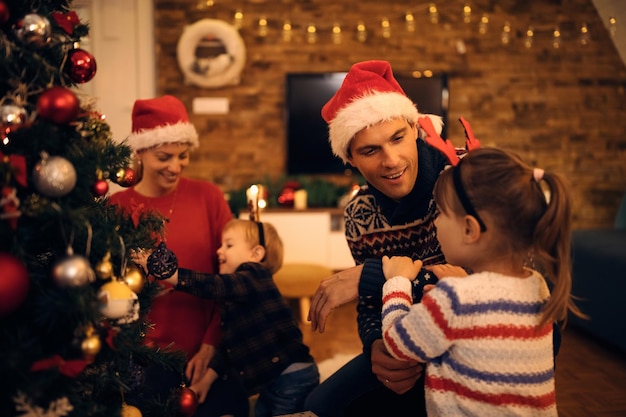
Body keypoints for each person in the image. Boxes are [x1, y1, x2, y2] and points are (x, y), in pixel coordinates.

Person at [381, 147, 586, 416]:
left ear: (469, 229)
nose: (436, 223)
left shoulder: (457, 297)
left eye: (441, 213)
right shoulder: (537, 285)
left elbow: (397, 344)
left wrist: (397, 283)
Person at [304, 60, 452, 417]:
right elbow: (370, 304)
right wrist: (375, 347)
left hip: (472, 339)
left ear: (415, 129)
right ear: (351, 160)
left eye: (398, 138)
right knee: (319, 406)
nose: (391, 160)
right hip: (405, 337)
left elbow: (479, 284)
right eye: (370, 150)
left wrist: (371, 275)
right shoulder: (359, 215)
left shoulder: (458, 183)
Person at [109, 95, 234, 416]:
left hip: (206, 356)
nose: (175, 166)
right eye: (164, 156)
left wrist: (212, 345)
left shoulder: (208, 197)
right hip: (140, 361)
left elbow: (233, 279)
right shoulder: (116, 208)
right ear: (139, 151)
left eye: (184, 155)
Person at [159, 218, 320, 417]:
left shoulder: (254, 275)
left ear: (256, 254)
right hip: (274, 381)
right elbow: (228, 350)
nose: (219, 251)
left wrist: (167, 272)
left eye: (229, 245)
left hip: (291, 377)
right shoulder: (237, 296)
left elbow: (213, 285)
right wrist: (205, 382)